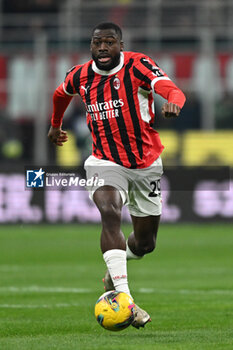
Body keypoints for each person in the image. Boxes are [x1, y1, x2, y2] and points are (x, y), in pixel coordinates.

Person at [48, 22, 186, 329]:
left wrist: (175, 101)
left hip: (146, 164)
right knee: (110, 212)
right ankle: (125, 300)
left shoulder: (138, 65)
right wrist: (56, 124)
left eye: (109, 42)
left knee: (145, 243)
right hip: (103, 161)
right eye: (97, 42)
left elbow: (169, 87)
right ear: (91, 46)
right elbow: (60, 93)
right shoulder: (80, 75)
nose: (102, 48)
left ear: (120, 46)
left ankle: (117, 266)